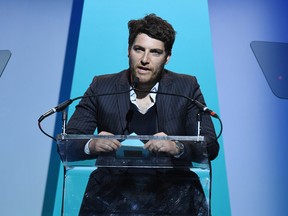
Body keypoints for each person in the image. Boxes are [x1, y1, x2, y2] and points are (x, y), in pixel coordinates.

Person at [66, 13, 219, 216]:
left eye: (155, 52)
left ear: (167, 57)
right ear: (129, 51)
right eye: (139, 49)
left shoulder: (186, 87)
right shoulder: (102, 86)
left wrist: (177, 146)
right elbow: (68, 142)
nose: (145, 60)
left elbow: (210, 145)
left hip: (175, 198)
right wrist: (91, 144)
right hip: (109, 199)